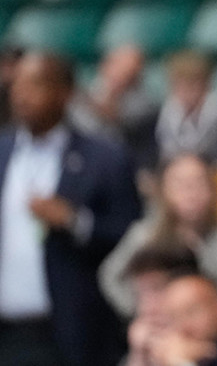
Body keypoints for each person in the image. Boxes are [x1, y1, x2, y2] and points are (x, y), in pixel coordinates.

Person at [0, 51, 142, 366]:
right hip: (6, 334)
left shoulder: (105, 158)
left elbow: (131, 236)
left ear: (65, 93)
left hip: (72, 334)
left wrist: (74, 221)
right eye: (17, 85)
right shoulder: (3, 151)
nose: (21, 94)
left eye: (35, 84)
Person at [100, 153, 217, 319]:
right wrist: (140, 309)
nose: (191, 192)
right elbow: (110, 276)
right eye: (180, 184)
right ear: (163, 191)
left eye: (199, 182)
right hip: (164, 330)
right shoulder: (145, 237)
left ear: (214, 189)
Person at [155, 51, 217, 165]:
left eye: (194, 83)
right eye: (181, 84)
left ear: (208, 85)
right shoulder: (159, 118)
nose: (187, 91)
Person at [122, 243, 204, 366]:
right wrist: (139, 356)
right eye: (139, 294)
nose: (148, 307)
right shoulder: (143, 346)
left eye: (157, 289)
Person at [152, 273, 217, 366]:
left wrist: (180, 362)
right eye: (173, 318)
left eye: (191, 312)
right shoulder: (198, 354)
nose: (184, 327)